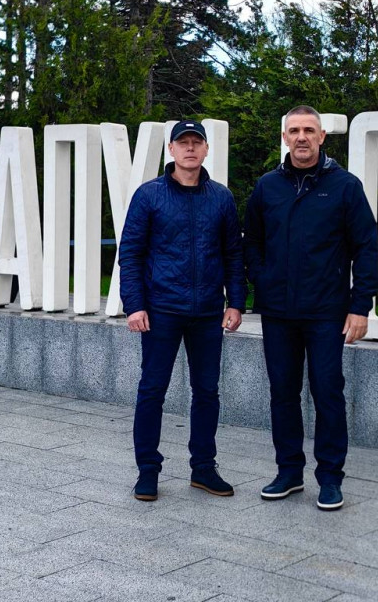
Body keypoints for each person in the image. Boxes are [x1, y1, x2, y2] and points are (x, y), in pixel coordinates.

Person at [244, 105, 378, 511]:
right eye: (294, 131)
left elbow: (366, 247)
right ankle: (289, 472)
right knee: (283, 393)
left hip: (326, 312)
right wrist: (262, 279)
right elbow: (252, 242)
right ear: (284, 138)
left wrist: (360, 306)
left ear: (322, 137)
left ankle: (330, 478)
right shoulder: (268, 186)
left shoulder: (345, 186)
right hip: (279, 312)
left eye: (309, 130)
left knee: (327, 393)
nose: (301, 137)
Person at [119, 119, 246, 502]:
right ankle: (147, 471)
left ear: (206, 149)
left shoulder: (221, 198)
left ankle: (203, 469)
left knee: (207, 391)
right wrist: (134, 305)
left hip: (207, 312)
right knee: (152, 390)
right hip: (161, 311)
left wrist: (236, 302)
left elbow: (233, 254)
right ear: (171, 149)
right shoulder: (149, 195)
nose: (190, 148)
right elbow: (131, 253)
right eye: (183, 142)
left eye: (196, 142)